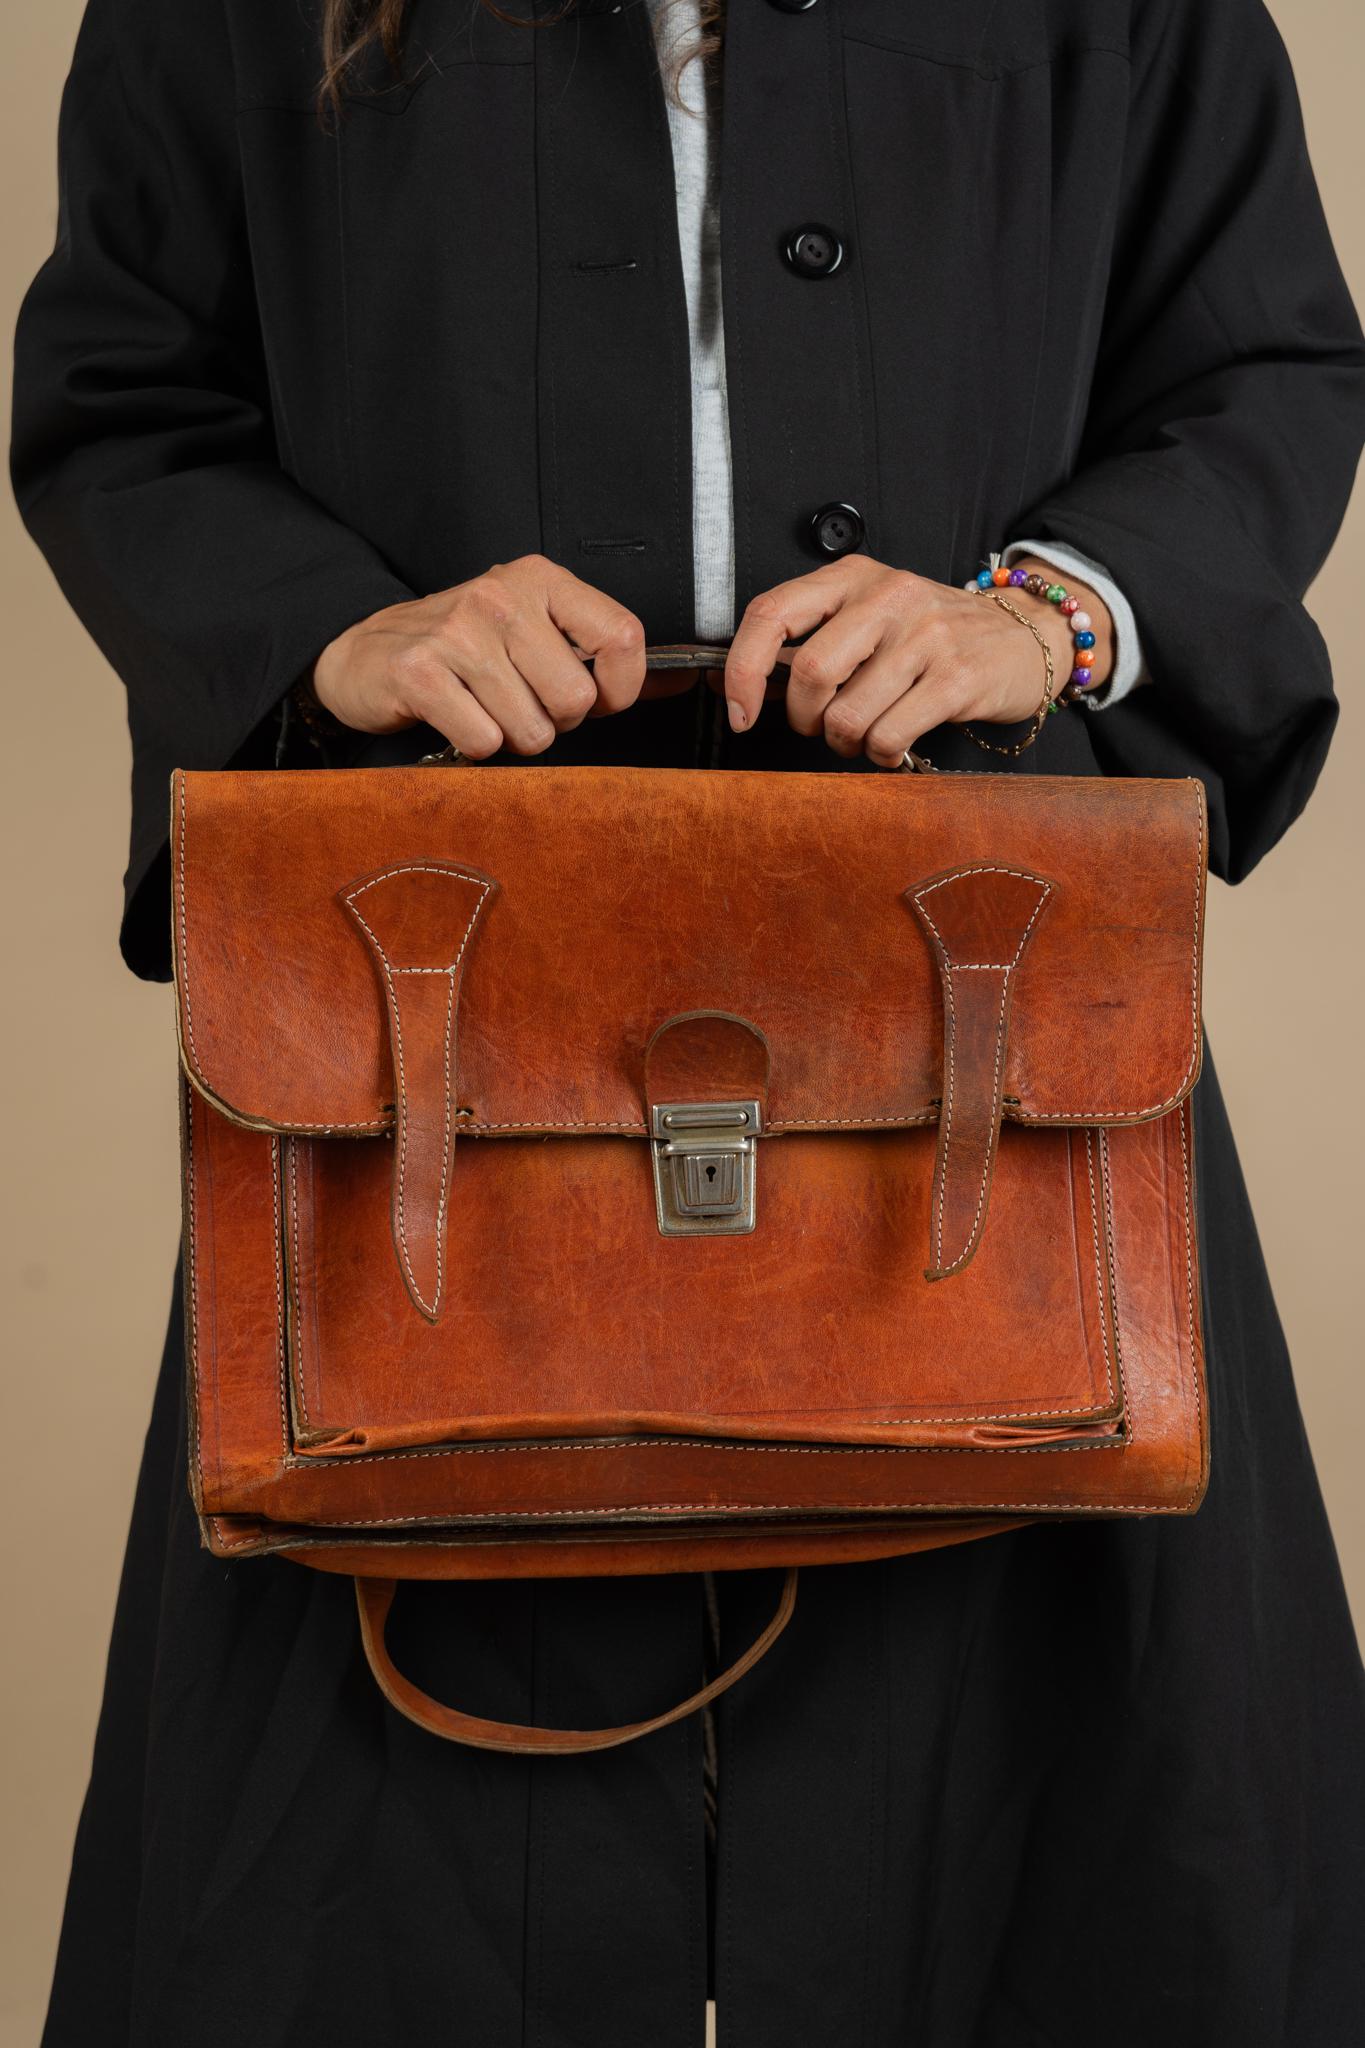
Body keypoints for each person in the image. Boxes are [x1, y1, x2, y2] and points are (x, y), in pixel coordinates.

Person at [12, 1, 1365, 2041]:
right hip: (436, 1054)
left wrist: (1044, 609)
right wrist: (335, 631)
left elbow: (1255, 362)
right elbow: (122, 388)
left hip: (987, 1040)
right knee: (341, 1911)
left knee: (1101, 1879)